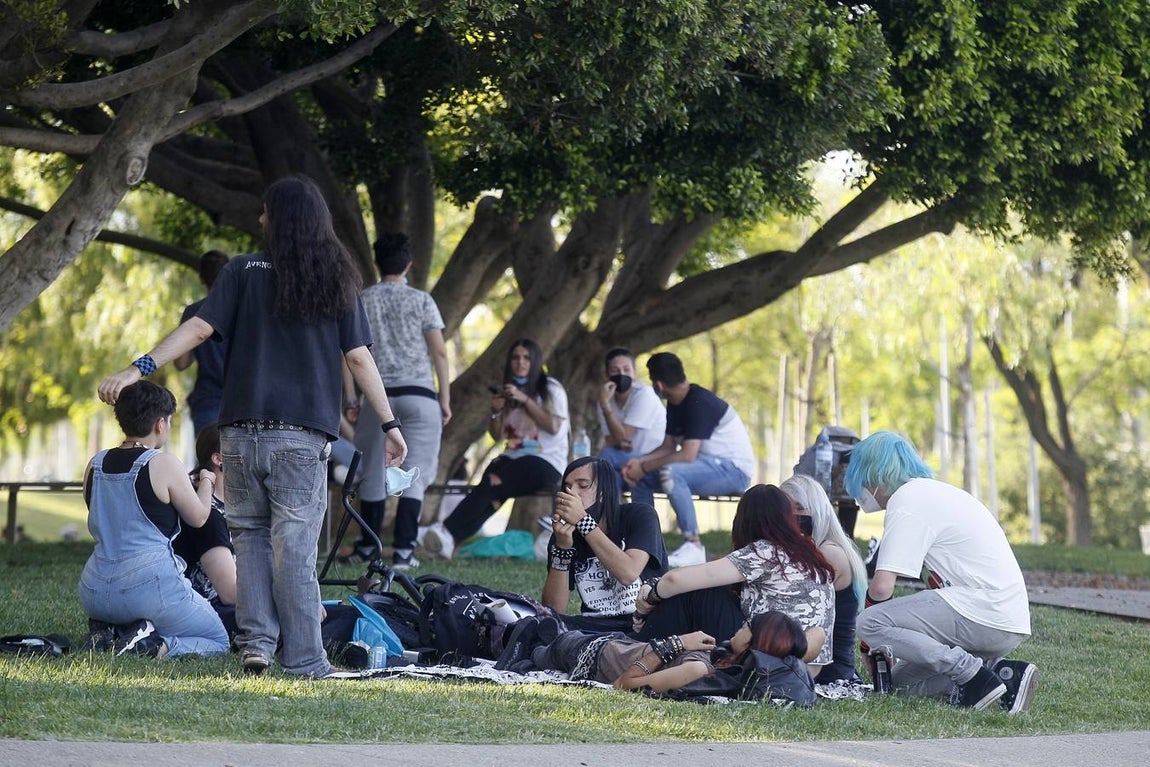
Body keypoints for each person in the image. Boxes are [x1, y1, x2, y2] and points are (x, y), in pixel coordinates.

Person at [98, 175, 408, 678]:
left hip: (238, 436)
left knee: (252, 541)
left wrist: (139, 368)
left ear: (280, 218)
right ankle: (306, 658)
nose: (260, 219)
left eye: (265, 211)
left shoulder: (243, 271)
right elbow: (358, 357)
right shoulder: (336, 278)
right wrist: (390, 423)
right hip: (301, 438)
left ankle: (257, 643)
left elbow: (198, 329)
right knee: (296, 546)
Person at [844, 430, 1038, 712]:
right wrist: (900, 643)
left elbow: (882, 587)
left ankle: (969, 673)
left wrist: (869, 643)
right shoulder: (937, 493)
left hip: (980, 609)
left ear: (873, 474)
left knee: (870, 623)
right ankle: (1004, 674)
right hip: (1006, 622)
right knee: (899, 685)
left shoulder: (907, 499)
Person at [78, 381, 229, 659]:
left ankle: (115, 629)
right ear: (160, 424)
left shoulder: (94, 464)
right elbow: (199, 517)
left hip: (94, 589)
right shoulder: (163, 463)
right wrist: (207, 480)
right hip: (149, 588)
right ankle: (153, 645)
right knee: (218, 639)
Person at [631, 484, 835, 672]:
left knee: (698, 594)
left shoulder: (766, 551)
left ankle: (635, 650)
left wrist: (648, 601)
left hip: (767, 662)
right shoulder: (808, 552)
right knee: (717, 591)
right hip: (809, 670)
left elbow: (674, 580)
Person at [349, 232, 451, 570]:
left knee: (372, 472)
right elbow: (438, 350)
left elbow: (349, 352)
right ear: (409, 264)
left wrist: (352, 396)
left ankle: (368, 548)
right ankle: (405, 551)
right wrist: (444, 398)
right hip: (421, 395)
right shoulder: (422, 301)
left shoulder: (362, 299)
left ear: (377, 263)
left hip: (378, 397)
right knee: (415, 474)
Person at [423, 339, 568, 559]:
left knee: (493, 481)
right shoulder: (508, 392)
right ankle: (448, 541)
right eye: (516, 357)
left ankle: (445, 531)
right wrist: (495, 411)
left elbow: (554, 427)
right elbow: (498, 436)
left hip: (545, 462)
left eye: (526, 358)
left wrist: (525, 400)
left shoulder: (550, 389)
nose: (520, 363)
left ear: (536, 361)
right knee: (492, 491)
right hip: (511, 461)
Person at [622, 352, 755, 567]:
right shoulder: (675, 404)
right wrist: (639, 463)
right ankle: (644, 542)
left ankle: (693, 545)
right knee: (643, 478)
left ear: (658, 384)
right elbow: (667, 447)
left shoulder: (698, 402)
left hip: (734, 471)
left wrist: (644, 466)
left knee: (670, 472)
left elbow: (687, 454)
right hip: (703, 467)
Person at [521, 610, 811, 701]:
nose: (743, 623)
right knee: (538, 634)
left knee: (529, 647)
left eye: (750, 626)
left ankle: (524, 640)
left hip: (589, 654)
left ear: (756, 642)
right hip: (612, 645)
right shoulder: (723, 662)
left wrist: (676, 644)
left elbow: (624, 684)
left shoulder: (698, 671)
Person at [542, 456, 668, 632]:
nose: (572, 494)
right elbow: (552, 610)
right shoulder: (564, 534)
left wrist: (584, 522)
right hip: (593, 626)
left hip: (645, 624)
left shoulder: (640, 515)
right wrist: (562, 549)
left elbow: (628, 573)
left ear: (604, 490)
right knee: (542, 627)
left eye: (583, 486)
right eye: (567, 487)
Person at [780, 473, 867, 684]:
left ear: (817, 511)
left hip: (827, 669)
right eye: (784, 510)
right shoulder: (806, 549)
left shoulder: (829, 552)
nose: (792, 516)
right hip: (804, 659)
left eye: (800, 508)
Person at [172, 424, 237, 636]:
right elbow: (230, 594)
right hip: (213, 613)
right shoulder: (209, 515)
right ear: (219, 459)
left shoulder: (235, 510)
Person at [173, 250, 230, 435]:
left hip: (207, 401)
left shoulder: (193, 312)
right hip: (242, 400)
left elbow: (181, 363)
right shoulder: (242, 309)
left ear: (201, 278)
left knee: (210, 460)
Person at [595, 348, 665, 488]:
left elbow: (623, 437)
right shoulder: (605, 398)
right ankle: (610, 510)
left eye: (627, 370)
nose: (622, 374)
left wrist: (605, 406)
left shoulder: (644, 395)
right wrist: (619, 441)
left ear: (634, 373)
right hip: (624, 461)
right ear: (606, 375)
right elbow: (611, 440)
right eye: (615, 370)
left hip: (652, 461)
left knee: (605, 458)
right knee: (611, 478)